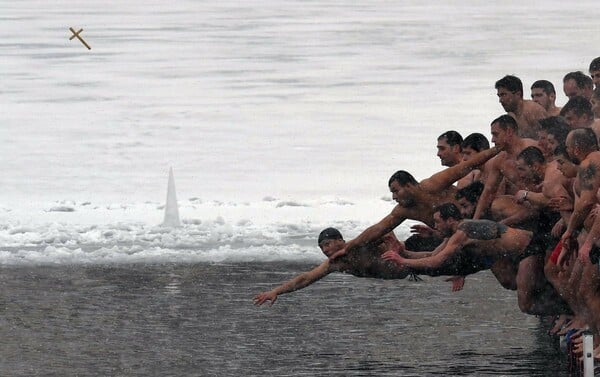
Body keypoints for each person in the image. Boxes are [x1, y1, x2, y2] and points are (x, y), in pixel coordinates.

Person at [382, 203, 571, 315]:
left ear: (450, 220)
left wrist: (403, 261)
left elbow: (436, 262)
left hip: (532, 246)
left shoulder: (464, 231)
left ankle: (573, 311)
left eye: (438, 221)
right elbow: (432, 255)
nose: (435, 225)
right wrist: (404, 252)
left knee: (526, 304)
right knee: (517, 289)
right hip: (522, 252)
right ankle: (569, 310)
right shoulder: (456, 233)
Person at [328, 146, 502, 261]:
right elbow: (379, 228)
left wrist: (499, 149)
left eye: (396, 191)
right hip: (454, 237)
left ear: (410, 185)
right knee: (414, 244)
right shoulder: (404, 210)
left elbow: (469, 164)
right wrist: (349, 247)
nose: (394, 197)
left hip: (482, 218)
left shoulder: (433, 184)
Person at [253, 228, 410, 306]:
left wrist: (394, 248)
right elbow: (306, 278)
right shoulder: (335, 263)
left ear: (340, 240)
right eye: (321, 248)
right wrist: (275, 291)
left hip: (416, 257)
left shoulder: (359, 245)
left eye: (327, 244)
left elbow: (386, 229)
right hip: (409, 273)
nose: (325, 250)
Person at [473, 115, 538, 223]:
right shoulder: (500, 161)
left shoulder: (533, 146)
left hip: (546, 199)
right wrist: (474, 221)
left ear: (509, 132)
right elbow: (487, 192)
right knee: (497, 204)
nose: (492, 140)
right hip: (527, 204)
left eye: (495, 134)